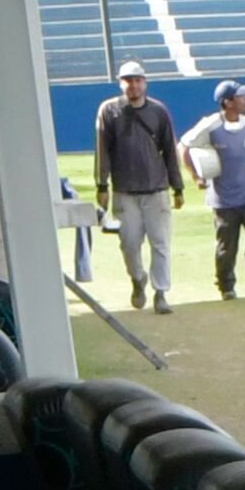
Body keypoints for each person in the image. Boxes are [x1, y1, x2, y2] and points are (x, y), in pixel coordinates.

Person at [91, 60, 185, 312]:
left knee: (161, 243)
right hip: (125, 191)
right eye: (128, 80)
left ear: (145, 82)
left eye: (137, 80)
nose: (133, 85)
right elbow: (102, 150)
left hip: (157, 190)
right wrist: (101, 184)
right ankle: (137, 278)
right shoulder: (109, 111)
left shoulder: (159, 111)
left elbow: (170, 151)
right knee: (129, 243)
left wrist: (178, 187)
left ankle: (161, 292)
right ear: (121, 83)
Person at [182, 79, 245, 302]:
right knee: (226, 247)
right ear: (227, 102)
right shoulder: (211, 125)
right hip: (223, 200)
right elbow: (184, 146)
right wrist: (196, 177)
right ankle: (226, 285)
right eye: (241, 96)